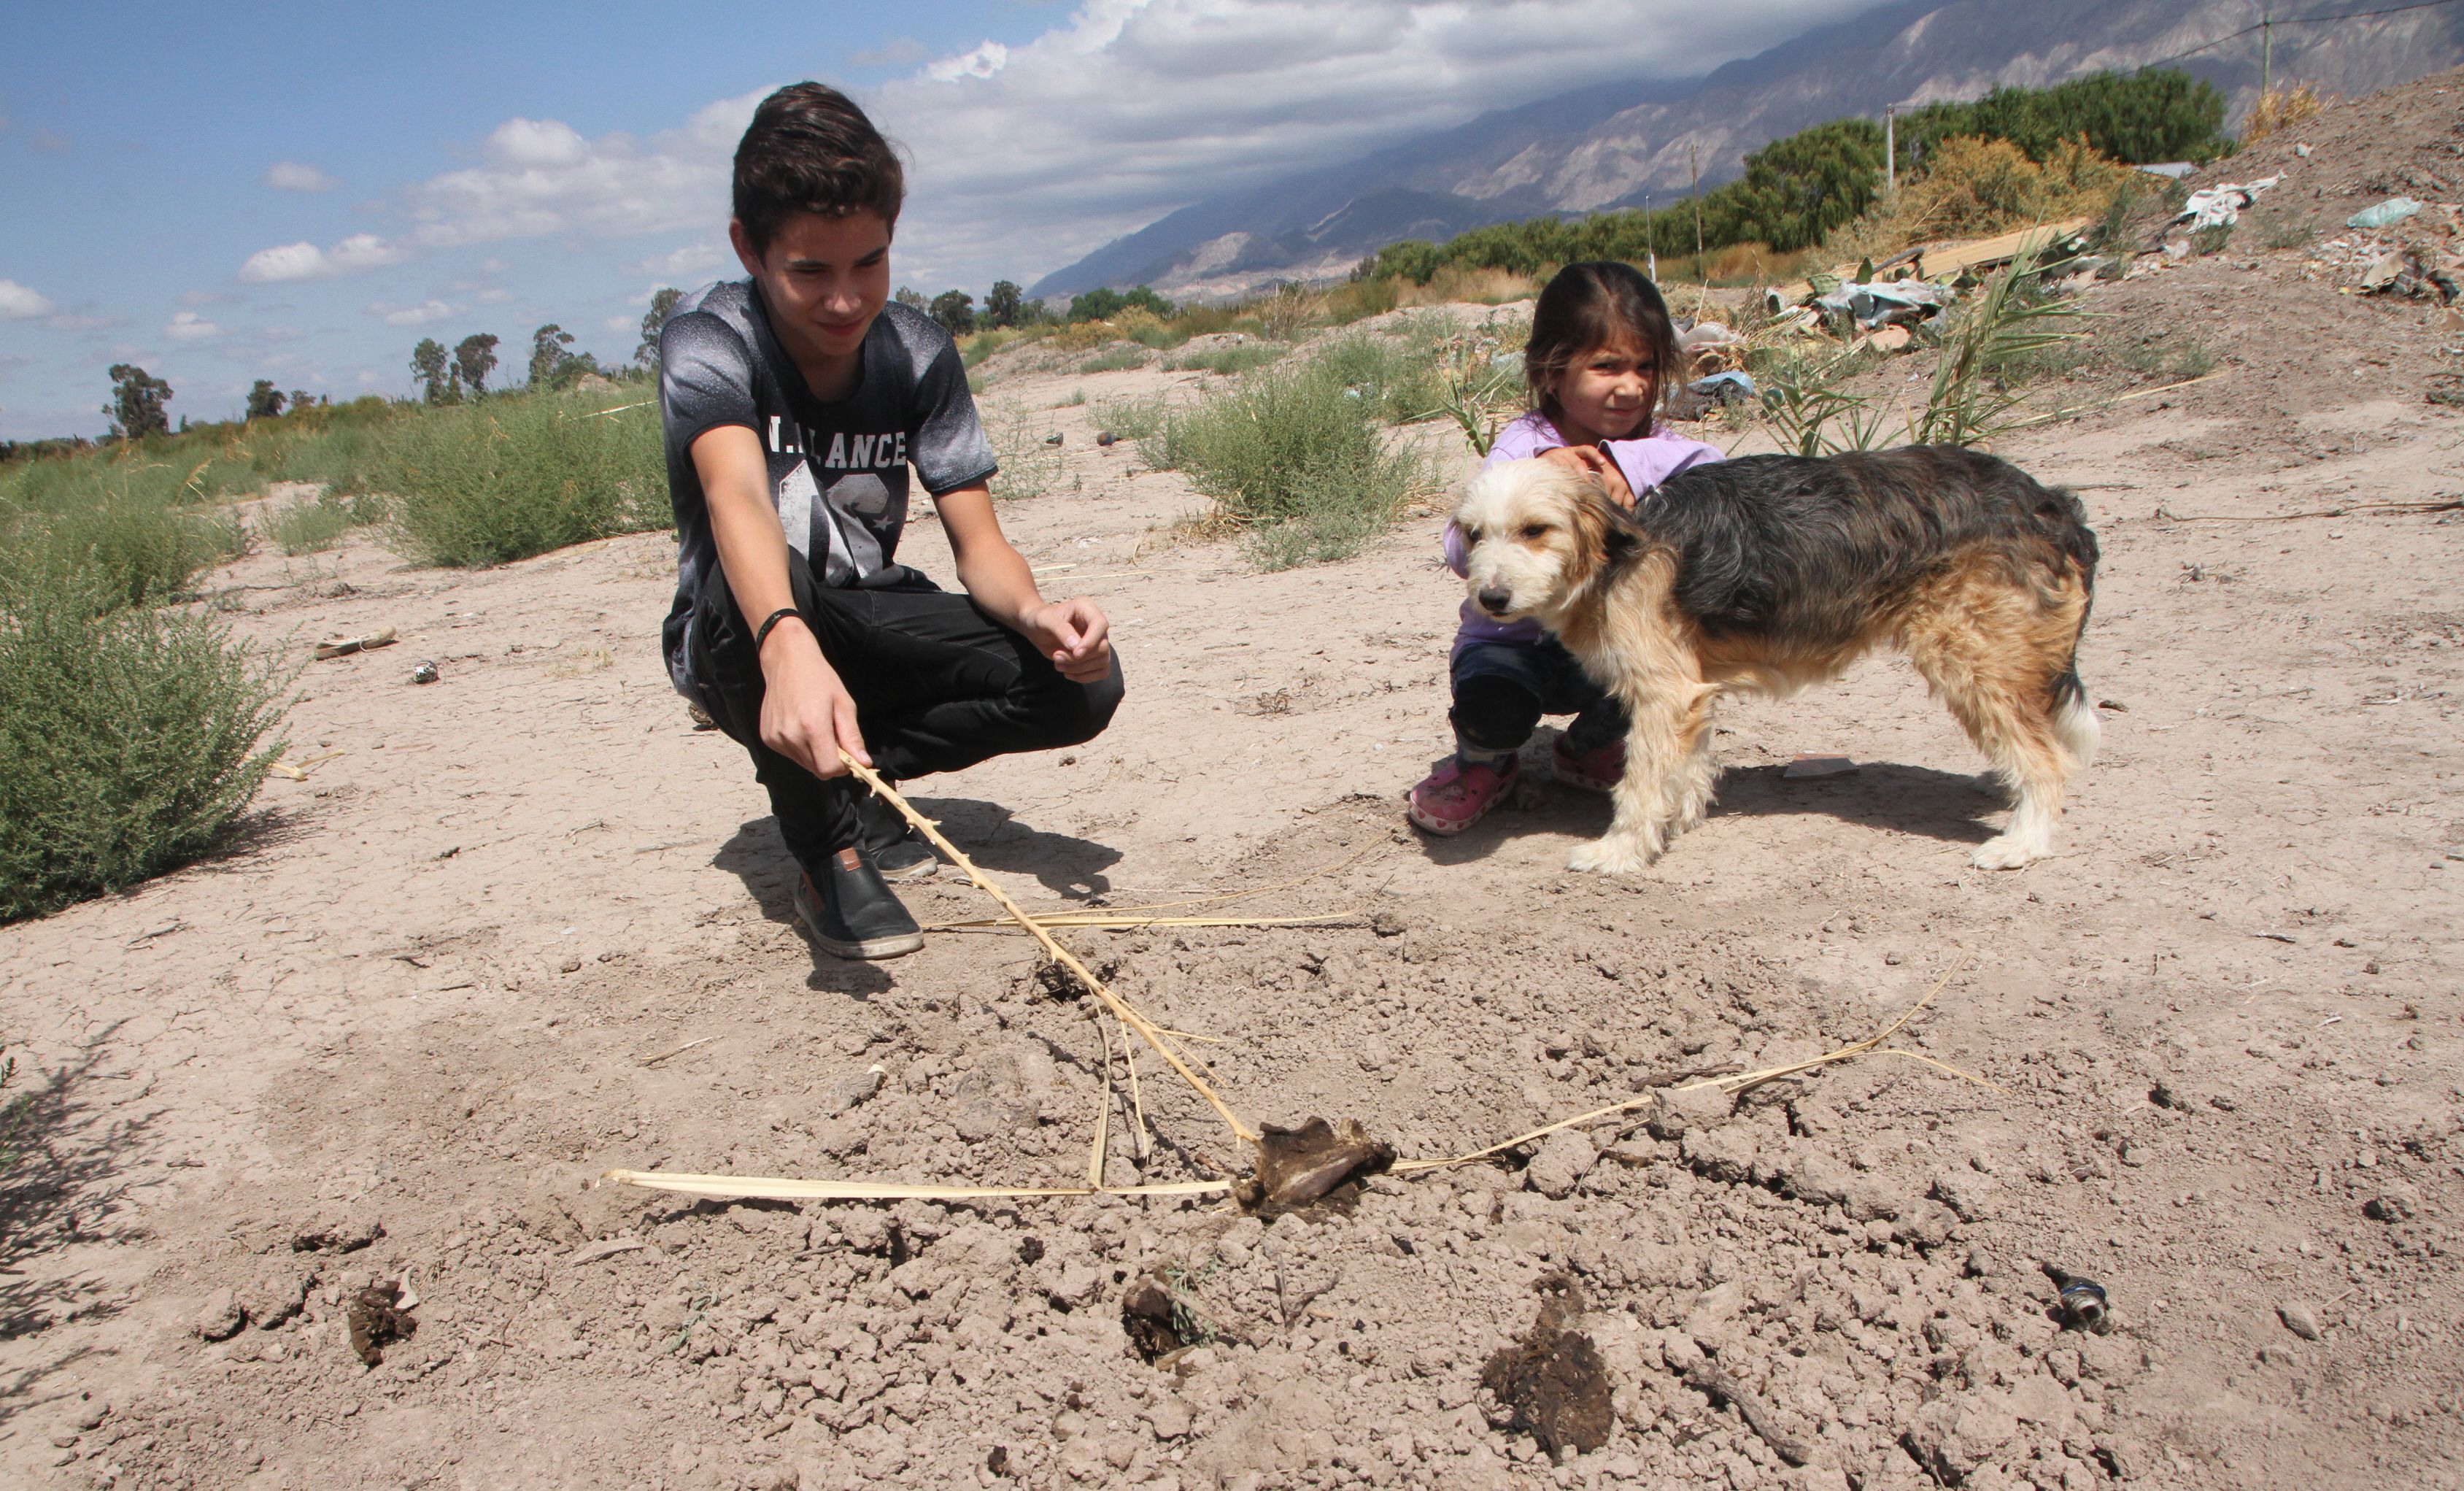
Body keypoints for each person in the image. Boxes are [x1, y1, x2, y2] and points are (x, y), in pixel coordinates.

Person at [659, 82, 1123, 960]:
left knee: (1082, 687)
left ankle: (859, 770)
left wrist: (1036, 615)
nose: (844, 300)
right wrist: (786, 645)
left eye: (867, 264)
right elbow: (736, 497)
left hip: (864, 614)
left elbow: (979, 545)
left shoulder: (915, 349)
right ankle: (828, 855)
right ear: (748, 249)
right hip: (745, 634)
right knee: (762, 580)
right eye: (810, 272)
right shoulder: (710, 337)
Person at [1407, 261, 1723, 837]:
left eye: (1646, 366)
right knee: (1490, 711)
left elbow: (1717, 477)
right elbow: (1459, 548)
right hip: (1511, 646)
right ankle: (1485, 763)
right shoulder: (1523, 445)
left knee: (1644, 685)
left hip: (1606, 646)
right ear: (1552, 372)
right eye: (1606, 366)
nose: (1632, 386)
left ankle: (1587, 749)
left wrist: (1626, 464)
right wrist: (1539, 474)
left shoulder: (1658, 447)